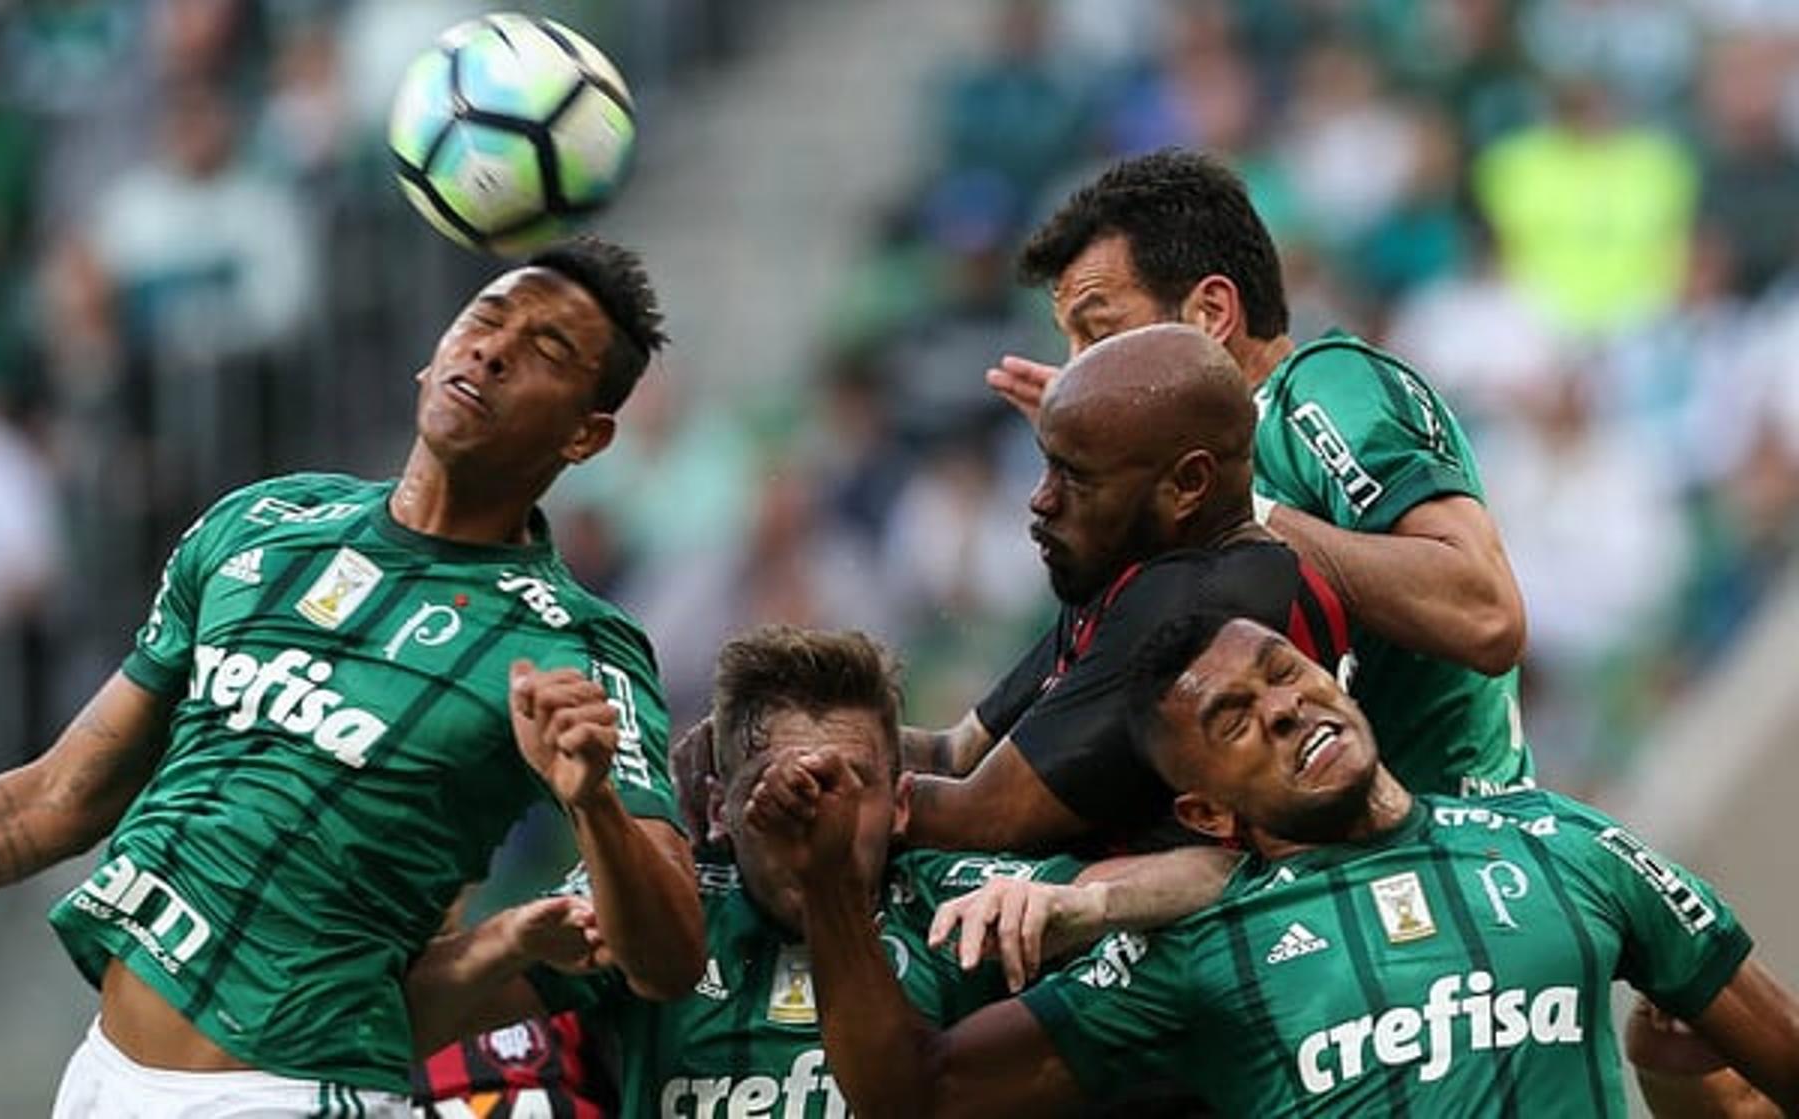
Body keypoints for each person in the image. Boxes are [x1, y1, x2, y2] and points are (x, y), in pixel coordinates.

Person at [0, 236, 706, 1115]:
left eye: (544, 352)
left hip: (292, 1087)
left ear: (587, 434)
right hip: (100, 1076)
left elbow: (669, 956)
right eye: (484, 319)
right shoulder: (263, 524)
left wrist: (593, 803)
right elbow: (60, 797)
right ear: (433, 355)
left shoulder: (576, 642)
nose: (493, 350)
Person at [752, 614, 1799, 1116]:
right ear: (1204, 809)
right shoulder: (1194, 953)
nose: (1286, 706)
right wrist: (840, 899)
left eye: (1283, 673)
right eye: (1235, 720)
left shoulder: (1561, 842)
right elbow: (912, 1098)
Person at [425, 624, 1230, 1118]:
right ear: (715, 808)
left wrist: (1088, 906)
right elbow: (405, 1019)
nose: (818, 812)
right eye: (778, 783)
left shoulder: (956, 898)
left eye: (851, 783)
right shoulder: (664, 911)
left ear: (905, 804)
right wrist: (504, 936)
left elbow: (1217, 874)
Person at [986, 148, 1531, 798]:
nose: (1078, 370)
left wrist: (1242, 508)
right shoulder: (1192, 482)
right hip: (1316, 861)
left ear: (1209, 315)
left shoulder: (1322, 392)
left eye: (1099, 336)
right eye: (1070, 345)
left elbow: (1486, 615)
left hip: (1459, 849)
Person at [900, 322, 1349, 853]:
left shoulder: (1195, 601)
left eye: (1077, 478)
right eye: (1047, 466)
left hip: (1229, 925)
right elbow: (959, 753)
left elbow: (982, 816)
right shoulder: (1133, 563)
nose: (1041, 500)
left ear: (1188, 484)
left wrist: (814, 775)